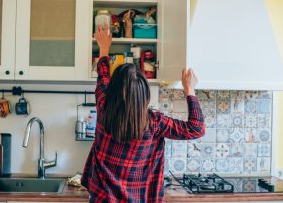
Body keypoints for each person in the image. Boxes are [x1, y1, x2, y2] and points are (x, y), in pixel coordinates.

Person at [81, 25, 205, 202]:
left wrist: (104, 48)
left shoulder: (103, 107)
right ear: (144, 94)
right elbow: (196, 128)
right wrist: (190, 90)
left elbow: (103, 76)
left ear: (113, 92)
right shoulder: (155, 123)